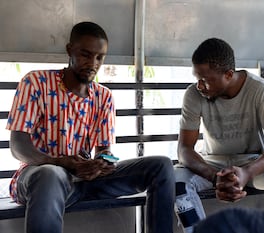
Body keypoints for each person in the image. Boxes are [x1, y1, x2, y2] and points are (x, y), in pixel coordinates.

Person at [6, 21, 174, 233]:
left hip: (83, 179)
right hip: (40, 179)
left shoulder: (103, 96)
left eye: (99, 57)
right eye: (85, 55)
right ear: (70, 51)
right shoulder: (36, 83)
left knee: (162, 166)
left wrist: (102, 163)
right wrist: (60, 162)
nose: (93, 63)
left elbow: (104, 150)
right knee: (50, 174)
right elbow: (18, 146)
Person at [174, 38, 264, 233]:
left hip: (252, 163)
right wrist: (214, 178)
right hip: (212, 165)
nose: (200, 86)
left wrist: (247, 172)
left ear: (229, 74)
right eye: (197, 78)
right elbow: (184, 149)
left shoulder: (259, 90)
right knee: (176, 182)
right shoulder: (193, 95)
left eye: (205, 80)